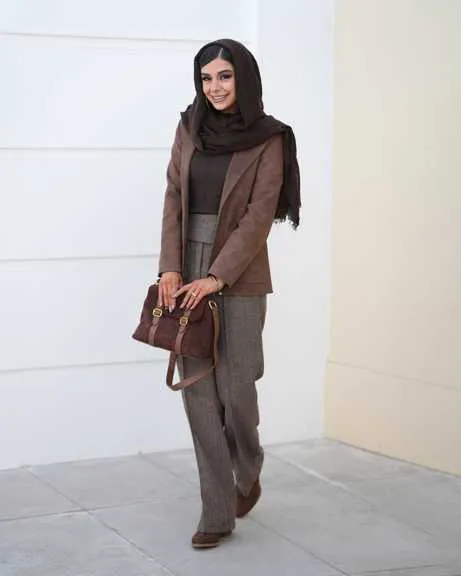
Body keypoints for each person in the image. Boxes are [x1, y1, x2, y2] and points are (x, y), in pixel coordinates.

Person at [157, 39, 300, 549]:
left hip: (239, 270)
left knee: (237, 388)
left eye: (224, 76)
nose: (214, 88)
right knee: (198, 391)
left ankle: (248, 467)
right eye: (206, 78)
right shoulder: (188, 127)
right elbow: (174, 195)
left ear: (244, 77)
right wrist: (171, 267)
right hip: (186, 264)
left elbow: (259, 216)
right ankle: (216, 512)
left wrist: (216, 276)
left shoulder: (271, 138)